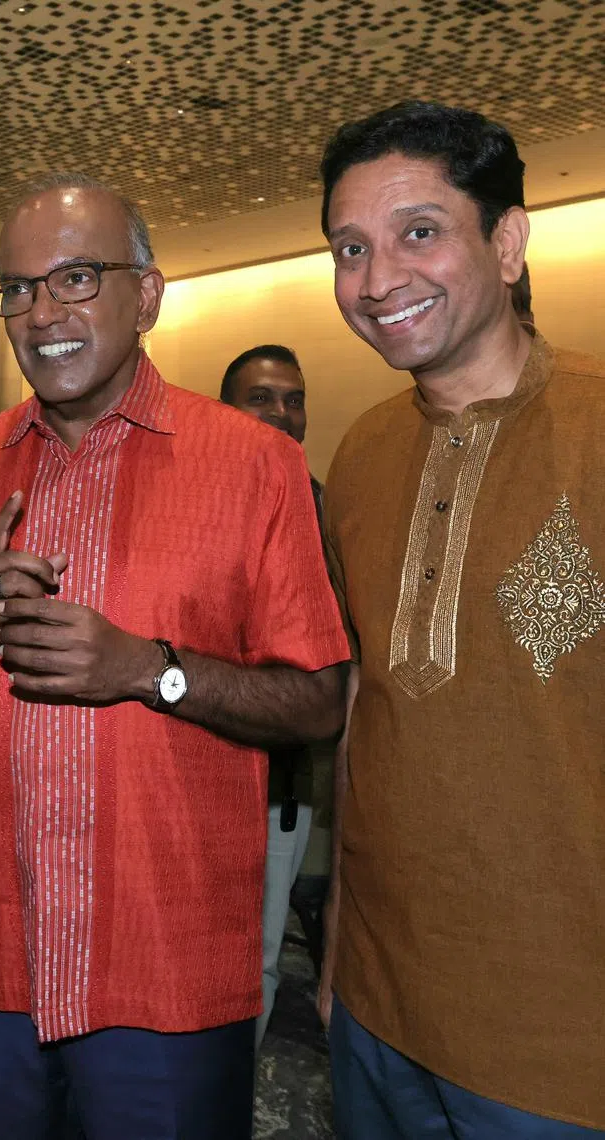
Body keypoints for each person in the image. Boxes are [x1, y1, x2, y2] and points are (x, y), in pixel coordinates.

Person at [0, 173, 349, 1140]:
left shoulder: (254, 465)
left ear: (149, 294)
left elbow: (318, 699)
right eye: (17, 288)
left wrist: (149, 670)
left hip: (166, 972)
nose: (42, 313)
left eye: (77, 279)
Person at [317, 100, 605, 1137]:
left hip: (566, 1043)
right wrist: (343, 944)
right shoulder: (360, 454)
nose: (379, 277)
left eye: (419, 232)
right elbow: (365, 713)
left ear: (511, 240)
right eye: (351, 248)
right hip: (380, 1009)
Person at [219, 344, 322, 1049]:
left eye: (292, 398)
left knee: (255, 957)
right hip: (184, 772)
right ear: (225, 411)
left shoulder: (325, 511)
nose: (281, 412)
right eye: (261, 397)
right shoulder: (185, 502)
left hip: (279, 784)